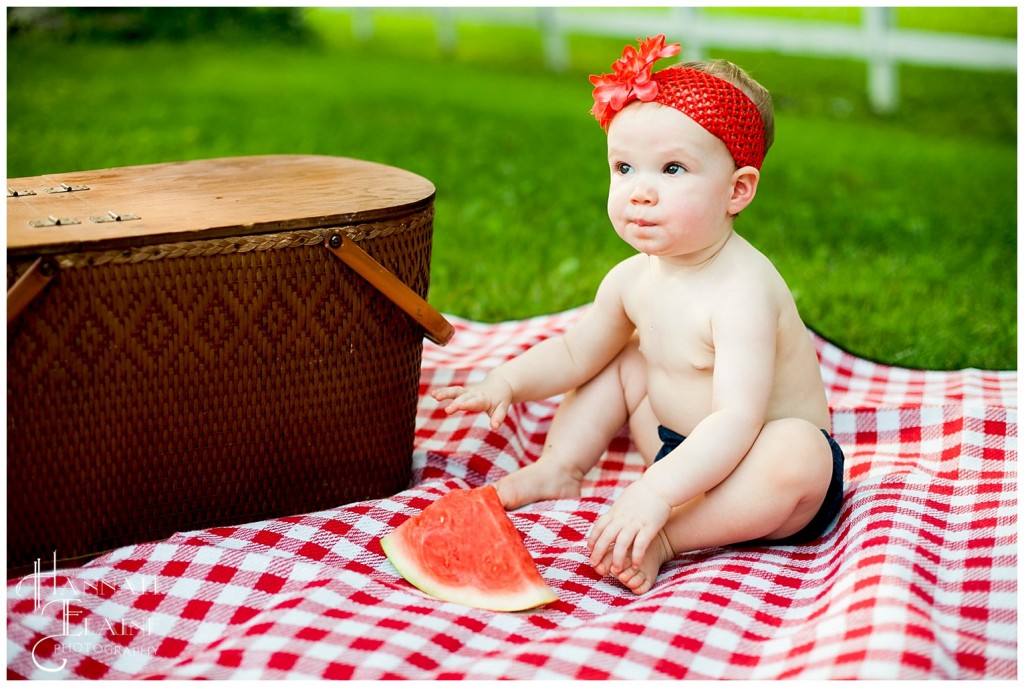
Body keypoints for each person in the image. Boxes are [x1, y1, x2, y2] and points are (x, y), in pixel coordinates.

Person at [432, 35, 845, 595]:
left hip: (755, 472)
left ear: (737, 191)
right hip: (675, 446)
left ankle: (670, 537)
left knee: (801, 451)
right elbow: (575, 352)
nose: (640, 192)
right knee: (620, 359)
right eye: (624, 167)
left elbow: (736, 420)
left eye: (672, 170)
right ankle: (563, 465)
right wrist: (508, 380)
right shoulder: (633, 278)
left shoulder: (743, 290)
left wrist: (654, 493)